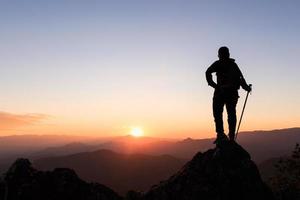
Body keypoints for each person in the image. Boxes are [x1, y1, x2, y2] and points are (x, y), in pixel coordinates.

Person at [206, 46, 251, 143]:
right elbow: (240, 79)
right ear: (228, 54)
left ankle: (221, 134)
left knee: (218, 113)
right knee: (230, 114)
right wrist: (246, 87)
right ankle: (229, 136)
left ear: (219, 55)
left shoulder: (218, 64)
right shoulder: (233, 65)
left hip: (221, 93)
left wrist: (214, 85)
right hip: (230, 93)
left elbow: (208, 72)